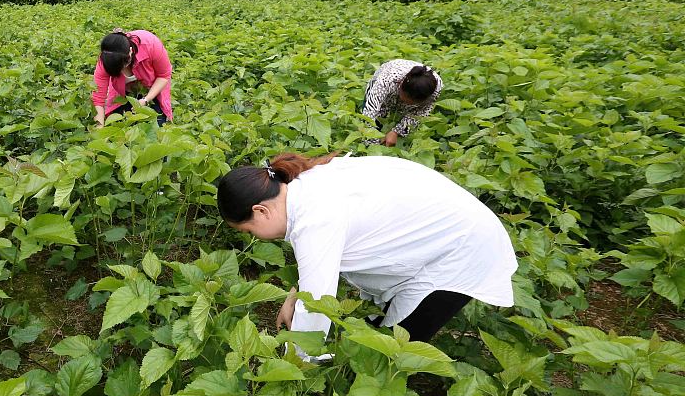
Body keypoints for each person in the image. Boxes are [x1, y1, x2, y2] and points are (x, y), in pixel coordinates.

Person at [215, 152, 516, 358]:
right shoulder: (300, 187)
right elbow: (315, 267)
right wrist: (293, 296)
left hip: (464, 249)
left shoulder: (315, 217)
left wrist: (294, 364)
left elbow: (318, 305)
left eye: (249, 231)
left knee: (390, 351)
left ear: (261, 210)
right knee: (377, 331)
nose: (254, 238)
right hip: (444, 232)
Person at [91, 29, 174, 126]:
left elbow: (164, 75)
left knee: (156, 124)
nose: (123, 70)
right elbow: (98, 99)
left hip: (152, 89)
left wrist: (146, 100)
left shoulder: (150, 44)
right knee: (119, 124)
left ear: (130, 51)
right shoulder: (106, 61)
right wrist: (99, 128)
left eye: (125, 64)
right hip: (122, 93)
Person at [363, 60, 442, 146]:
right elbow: (369, 113)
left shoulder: (435, 90)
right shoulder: (386, 81)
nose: (407, 104)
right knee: (379, 114)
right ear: (400, 86)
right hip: (389, 75)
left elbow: (419, 113)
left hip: (414, 88)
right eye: (405, 99)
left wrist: (396, 132)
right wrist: (372, 145)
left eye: (413, 103)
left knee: (402, 127)